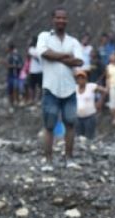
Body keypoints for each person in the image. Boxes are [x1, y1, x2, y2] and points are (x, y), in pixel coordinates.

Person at [36, 6, 84, 171]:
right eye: (58, 18)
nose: (61, 20)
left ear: (67, 20)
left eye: (64, 18)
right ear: (53, 19)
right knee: (49, 126)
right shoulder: (44, 36)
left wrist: (55, 55)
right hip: (50, 88)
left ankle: (69, 159)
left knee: (70, 124)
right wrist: (66, 57)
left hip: (69, 89)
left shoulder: (73, 41)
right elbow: (43, 53)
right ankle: (48, 161)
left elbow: (79, 62)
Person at [75, 70, 106, 140]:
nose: (80, 80)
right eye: (78, 78)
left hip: (89, 117)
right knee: (79, 138)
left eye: (82, 78)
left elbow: (104, 91)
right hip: (78, 117)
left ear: (86, 79)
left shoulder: (91, 86)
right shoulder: (75, 88)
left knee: (89, 138)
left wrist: (100, 102)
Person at [106, 53, 115, 127]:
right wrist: (107, 87)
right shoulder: (108, 67)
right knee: (113, 104)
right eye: (112, 55)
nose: (113, 57)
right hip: (113, 86)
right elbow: (107, 78)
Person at [27, 36, 43, 103]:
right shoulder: (32, 49)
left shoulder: (35, 49)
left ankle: (37, 99)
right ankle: (32, 99)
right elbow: (36, 55)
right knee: (32, 86)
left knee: (39, 86)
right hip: (33, 71)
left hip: (38, 71)